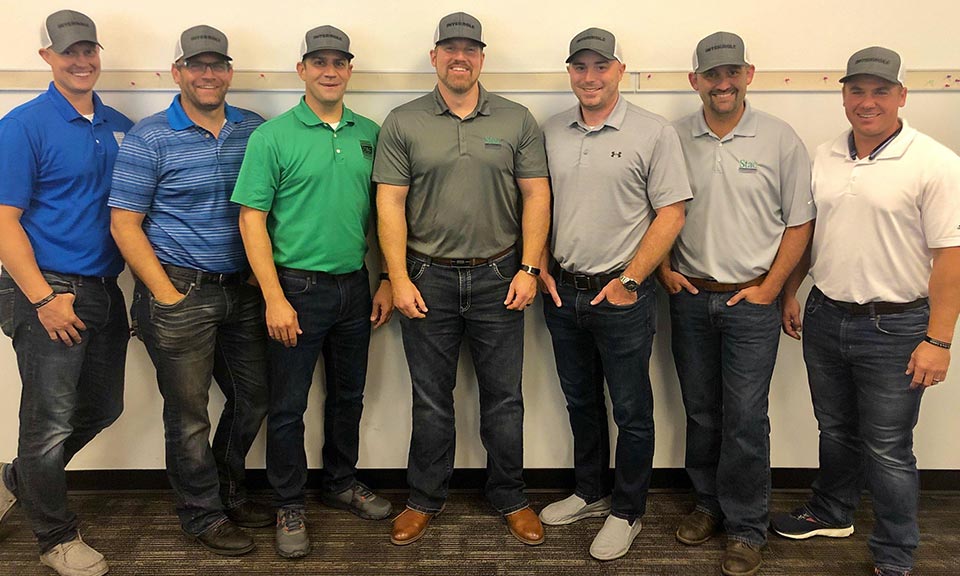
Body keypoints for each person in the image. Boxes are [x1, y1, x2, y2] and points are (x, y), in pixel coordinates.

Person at [770, 46, 960, 576]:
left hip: (896, 326)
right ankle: (832, 512)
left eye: (880, 91)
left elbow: (951, 259)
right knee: (834, 429)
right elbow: (811, 234)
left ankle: (895, 554)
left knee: (889, 448)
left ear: (902, 96)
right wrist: (790, 290)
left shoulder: (936, 164)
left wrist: (939, 340)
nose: (867, 101)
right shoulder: (826, 155)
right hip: (826, 314)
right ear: (844, 96)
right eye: (857, 90)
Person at [374, 11, 551, 547]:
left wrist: (529, 267)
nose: (459, 57)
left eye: (469, 49)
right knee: (431, 399)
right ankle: (424, 499)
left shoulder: (517, 119)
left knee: (505, 398)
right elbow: (390, 204)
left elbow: (536, 195)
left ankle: (511, 496)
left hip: (501, 277)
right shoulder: (403, 121)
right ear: (434, 57)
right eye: (449, 49)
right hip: (426, 278)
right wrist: (398, 278)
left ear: (481, 57)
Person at [656, 31, 815, 576]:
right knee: (701, 411)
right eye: (711, 75)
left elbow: (801, 223)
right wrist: (663, 269)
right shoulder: (673, 138)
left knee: (745, 417)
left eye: (731, 73)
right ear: (694, 80)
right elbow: (656, 210)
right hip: (690, 296)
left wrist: (774, 289)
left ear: (748, 75)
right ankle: (708, 505)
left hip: (752, 301)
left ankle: (746, 527)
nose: (722, 84)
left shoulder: (779, 139)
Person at [232, 25, 393, 559]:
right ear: (302, 69)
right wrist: (274, 297)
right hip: (295, 290)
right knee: (288, 405)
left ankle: (341, 482)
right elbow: (251, 219)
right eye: (319, 62)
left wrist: (386, 278)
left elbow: (385, 214)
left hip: (354, 286)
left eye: (338, 62)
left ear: (349, 70)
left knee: (349, 396)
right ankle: (288, 502)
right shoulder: (272, 137)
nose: (330, 71)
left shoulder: (371, 133)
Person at [108, 25, 269, 556]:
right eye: (196, 65)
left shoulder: (253, 129)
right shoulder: (150, 137)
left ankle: (228, 491)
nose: (208, 74)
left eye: (217, 65)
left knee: (254, 397)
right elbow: (125, 224)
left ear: (229, 72)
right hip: (179, 290)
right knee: (189, 414)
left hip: (241, 291)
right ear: (177, 73)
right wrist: (165, 294)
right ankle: (202, 514)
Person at [536, 28, 690, 561]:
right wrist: (540, 266)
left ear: (620, 70)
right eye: (580, 67)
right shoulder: (552, 131)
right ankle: (589, 491)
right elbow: (538, 204)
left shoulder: (653, 132)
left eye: (601, 66)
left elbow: (672, 212)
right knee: (580, 400)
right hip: (564, 293)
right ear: (570, 72)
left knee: (631, 409)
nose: (590, 77)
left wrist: (630, 281)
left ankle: (627, 511)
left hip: (622, 296)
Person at [0, 10, 133, 576]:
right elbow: (4, 222)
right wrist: (42, 299)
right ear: (47, 57)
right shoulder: (22, 125)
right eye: (68, 51)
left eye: (88, 50)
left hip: (104, 287)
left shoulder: (119, 124)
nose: (81, 61)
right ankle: (55, 538)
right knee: (49, 422)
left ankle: (19, 477)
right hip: (47, 289)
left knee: (103, 407)